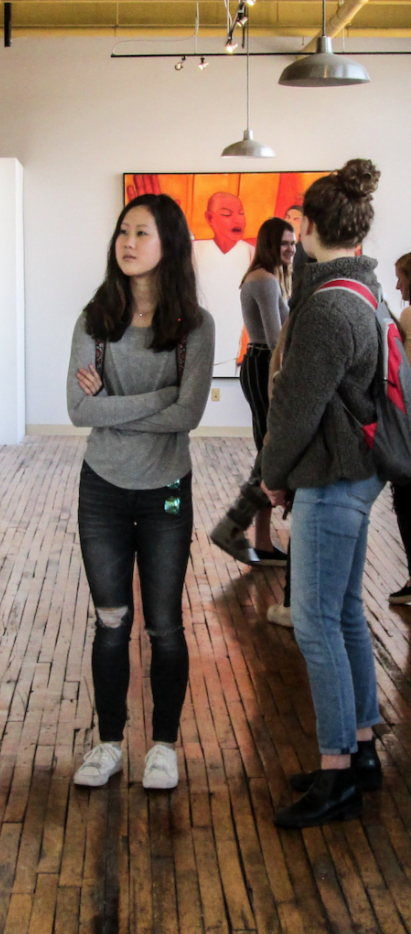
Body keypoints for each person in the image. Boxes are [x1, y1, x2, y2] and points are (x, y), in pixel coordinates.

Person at [67, 193, 214, 792]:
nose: (127, 243)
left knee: (164, 625)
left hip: (166, 493)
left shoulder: (195, 327)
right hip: (101, 489)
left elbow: (190, 414)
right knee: (110, 622)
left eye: (141, 233)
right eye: (123, 231)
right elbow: (79, 411)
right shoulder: (95, 319)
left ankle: (163, 747)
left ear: (168, 244)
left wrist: (114, 404)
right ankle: (108, 743)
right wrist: (160, 398)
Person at [263, 160, 385, 829]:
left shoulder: (328, 307)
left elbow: (295, 411)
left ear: (307, 224)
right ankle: (361, 750)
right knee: (343, 613)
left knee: (314, 622)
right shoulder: (364, 292)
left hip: (331, 477)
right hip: (356, 473)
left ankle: (336, 773)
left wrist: (272, 474)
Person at [210, 218, 296, 585]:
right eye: (285, 243)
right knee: (269, 448)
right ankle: (233, 527)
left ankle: (258, 540)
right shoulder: (265, 280)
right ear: (269, 244)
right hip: (265, 364)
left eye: (293, 243)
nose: (291, 249)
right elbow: (277, 339)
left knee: (267, 449)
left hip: (261, 362)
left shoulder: (264, 277)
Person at [192, 189, 253, 376]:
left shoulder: (252, 254)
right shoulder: (193, 251)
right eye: (227, 214)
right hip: (196, 349)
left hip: (234, 354)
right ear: (209, 218)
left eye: (241, 213)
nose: (237, 220)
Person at [387, 251, 411, 605]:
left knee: (406, 499)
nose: (397, 286)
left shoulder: (408, 316)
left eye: (401, 277)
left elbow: (403, 374)